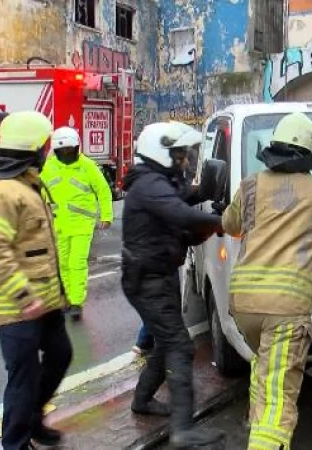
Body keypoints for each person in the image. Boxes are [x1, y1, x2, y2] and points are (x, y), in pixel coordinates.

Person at [222, 112, 312, 450]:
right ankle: (266, 441)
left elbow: (230, 224)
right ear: (309, 153)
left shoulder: (249, 186)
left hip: (244, 303)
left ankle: (257, 424)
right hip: (286, 308)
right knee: (280, 396)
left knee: (265, 370)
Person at [0, 111, 73, 450]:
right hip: (16, 307)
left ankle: (33, 421)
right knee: (23, 377)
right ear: (31, 148)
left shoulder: (24, 182)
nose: (47, 152)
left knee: (60, 355)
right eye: (43, 146)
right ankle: (16, 442)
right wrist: (23, 296)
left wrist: (56, 295)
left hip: (43, 301)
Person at [121, 121, 225, 448]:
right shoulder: (150, 185)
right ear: (161, 153)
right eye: (179, 155)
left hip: (155, 274)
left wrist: (203, 195)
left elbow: (181, 202)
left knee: (167, 342)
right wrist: (225, 222)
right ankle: (183, 430)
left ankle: (142, 400)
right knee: (180, 346)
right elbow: (182, 215)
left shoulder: (155, 182)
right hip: (148, 279)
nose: (183, 161)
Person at [40, 127, 113, 320]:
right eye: (62, 150)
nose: (66, 153)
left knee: (77, 262)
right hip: (58, 224)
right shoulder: (49, 167)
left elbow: (103, 190)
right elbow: (41, 192)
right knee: (63, 263)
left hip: (82, 224)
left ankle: (76, 302)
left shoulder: (87, 166)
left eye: (69, 149)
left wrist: (106, 216)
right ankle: (66, 299)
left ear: (77, 147)